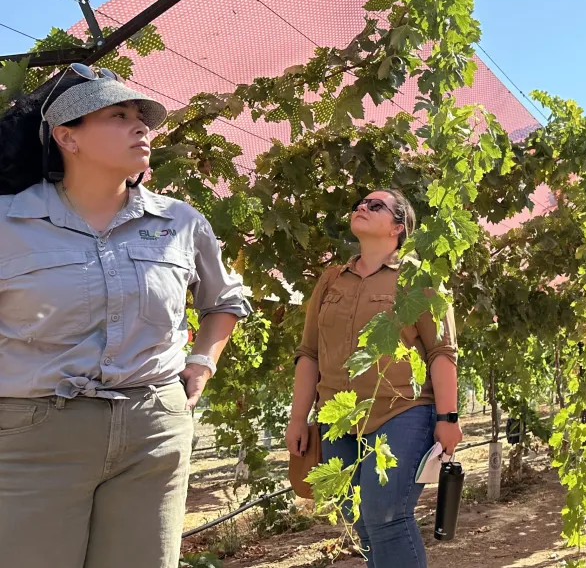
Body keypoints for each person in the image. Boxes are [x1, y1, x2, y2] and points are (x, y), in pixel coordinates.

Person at [0, 64, 251, 567]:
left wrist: (203, 361)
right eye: (118, 116)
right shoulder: (9, 222)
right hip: (33, 438)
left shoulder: (179, 221)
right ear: (66, 137)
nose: (141, 127)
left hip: (153, 431)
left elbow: (225, 299)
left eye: (142, 116)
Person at [286, 188, 462, 568]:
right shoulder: (332, 280)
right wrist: (298, 418)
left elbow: (441, 351)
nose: (362, 207)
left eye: (375, 205)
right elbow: (309, 353)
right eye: (359, 204)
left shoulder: (420, 278)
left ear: (398, 226)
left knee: (387, 516)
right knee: (361, 522)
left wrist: (449, 418)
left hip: (401, 411)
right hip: (338, 417)